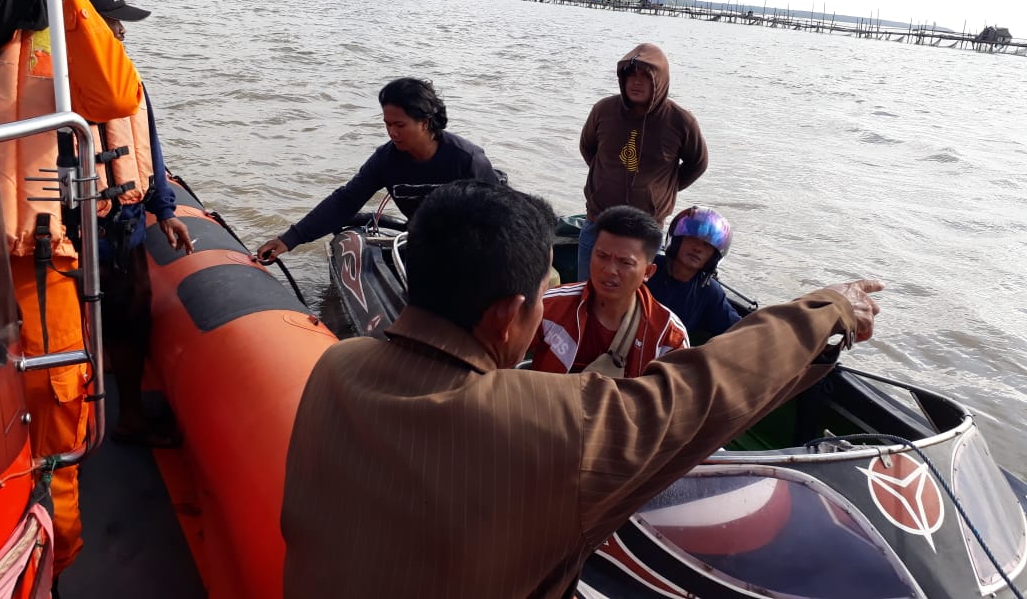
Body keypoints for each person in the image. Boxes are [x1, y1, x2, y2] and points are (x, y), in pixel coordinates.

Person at [281, 179, 883, 598]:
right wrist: (825, 311)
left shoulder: (339, 366)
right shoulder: (551, 424)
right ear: (508, 316)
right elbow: (708, 388)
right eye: (544, 291)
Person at [0, 0, 93, 581]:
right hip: (23, 261)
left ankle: (51, 566)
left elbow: (113, 94)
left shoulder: (53, 50)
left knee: (57, 431)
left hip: (36, 254)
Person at [75, 0, 194, 446]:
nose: (122, 31)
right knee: (75, 326)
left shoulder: (126, 80)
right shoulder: (50, 85)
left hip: (124, 227)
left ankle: (127, 417)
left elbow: (150, 145)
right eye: (113, 21)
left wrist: (165, 210)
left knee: (133, 318)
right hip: (75, 232)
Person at [257, 76, 500, 262]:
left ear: (424, 123)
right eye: (387, 124)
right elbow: (346, 200)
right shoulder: (386, 159)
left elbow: (499, 218)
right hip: (424, 241)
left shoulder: (467, 159)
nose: (392, 133)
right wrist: (290, 239)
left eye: (400, 125)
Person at [577, 42, 708, 281]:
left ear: (659, 82)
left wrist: (664, 189)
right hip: (598, 223)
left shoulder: (681, 121)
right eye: (631, 75)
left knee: (632, 302)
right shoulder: (603, 110)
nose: (636, 82)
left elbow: (697, 163)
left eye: (645, 77)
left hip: (645, 233)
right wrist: (604, 177)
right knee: (584, 294)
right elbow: (587, 147)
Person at [529, 205, 688, 377]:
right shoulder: (549, 306)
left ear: (648, 272)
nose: (610, 270)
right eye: (602, 256)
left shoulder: (669, 335)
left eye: (625, 263)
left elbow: (677, 398)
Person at [647, 205, 741, 340]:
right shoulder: (647, 266)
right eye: (692, 239)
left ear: (713, 256)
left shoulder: (709, 291)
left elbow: (738, 330)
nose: (697, 248)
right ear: (677, 241)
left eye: (707, 245)